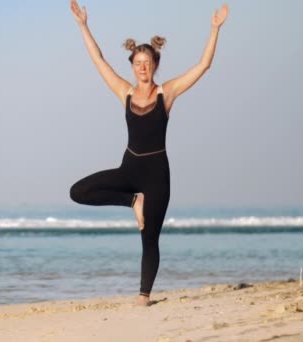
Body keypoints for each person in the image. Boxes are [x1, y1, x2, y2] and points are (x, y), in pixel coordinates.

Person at [68, 0, 229, 307]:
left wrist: (214, 29)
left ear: (155, 63)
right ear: (132, 65)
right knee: (78, 191)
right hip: (129, 169)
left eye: (147, 62)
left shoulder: (165, 92)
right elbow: (99, 61)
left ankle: (144, 296)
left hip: (157, 175)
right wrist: (83, 26)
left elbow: (202, 66)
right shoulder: (125, 91)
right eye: (137, 63)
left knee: (149, 238)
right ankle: (132, 201)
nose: (142, 67)